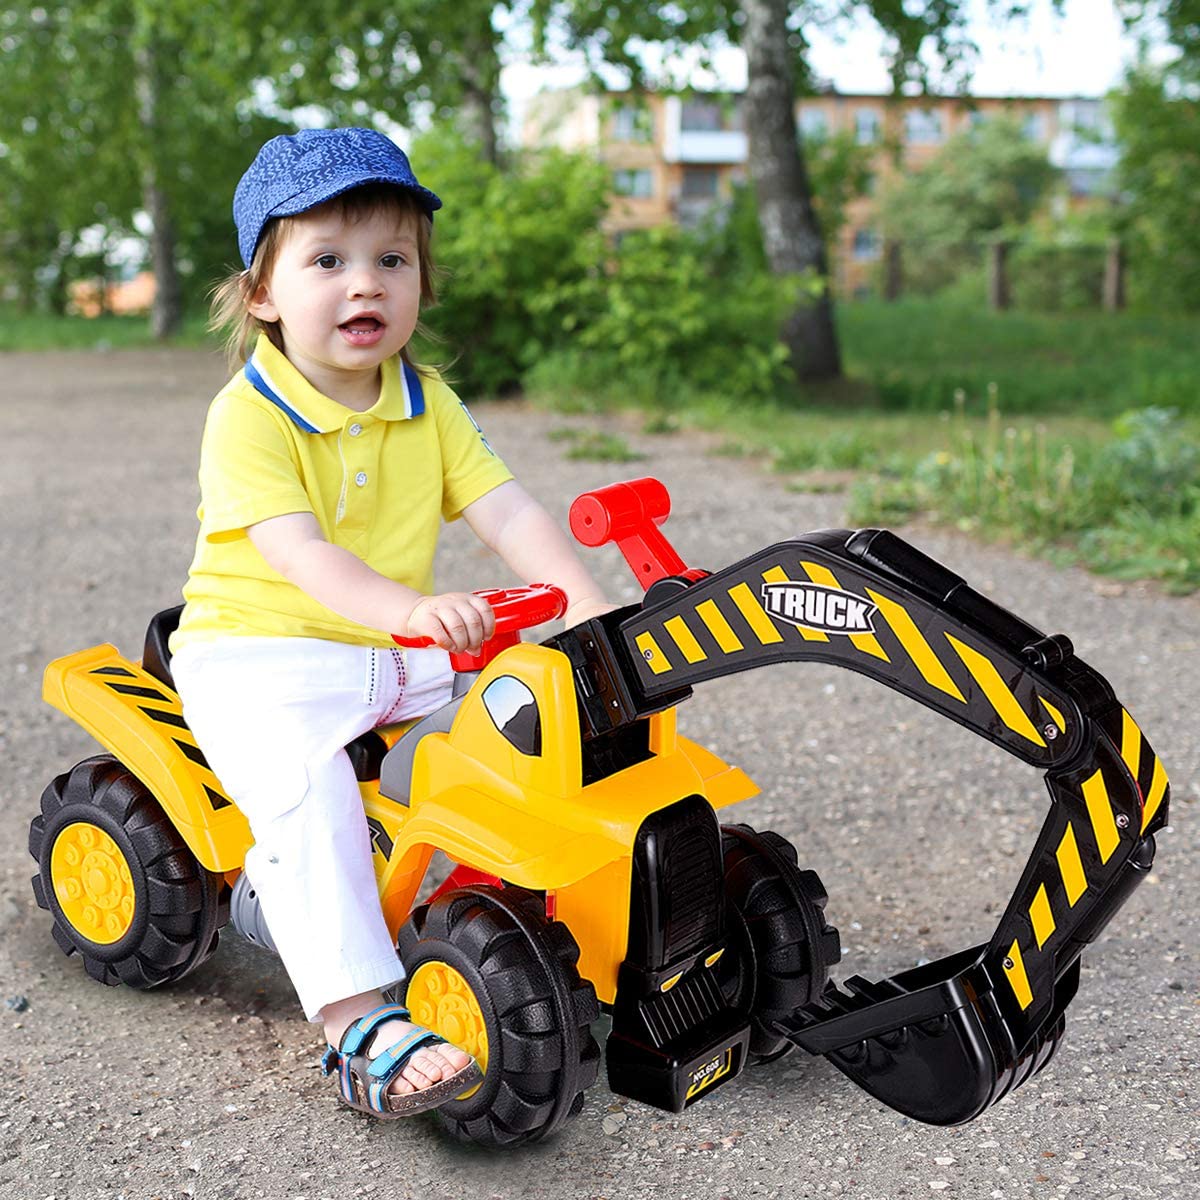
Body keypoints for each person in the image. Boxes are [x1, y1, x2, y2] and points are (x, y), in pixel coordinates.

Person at [168, 126, 612, 1119]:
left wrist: (585, 606)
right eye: (327, 259)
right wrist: (414, 609)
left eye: (391, 259)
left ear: (421, 281)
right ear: (262, 295)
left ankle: (533, 908)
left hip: (390, 651)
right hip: (260, 658)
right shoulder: (248, 416)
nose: (364, 283)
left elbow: (509, 511)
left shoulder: (431, 402)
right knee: (307, 797)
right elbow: (304, 556)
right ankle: (355, 1021)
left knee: (517, 731)